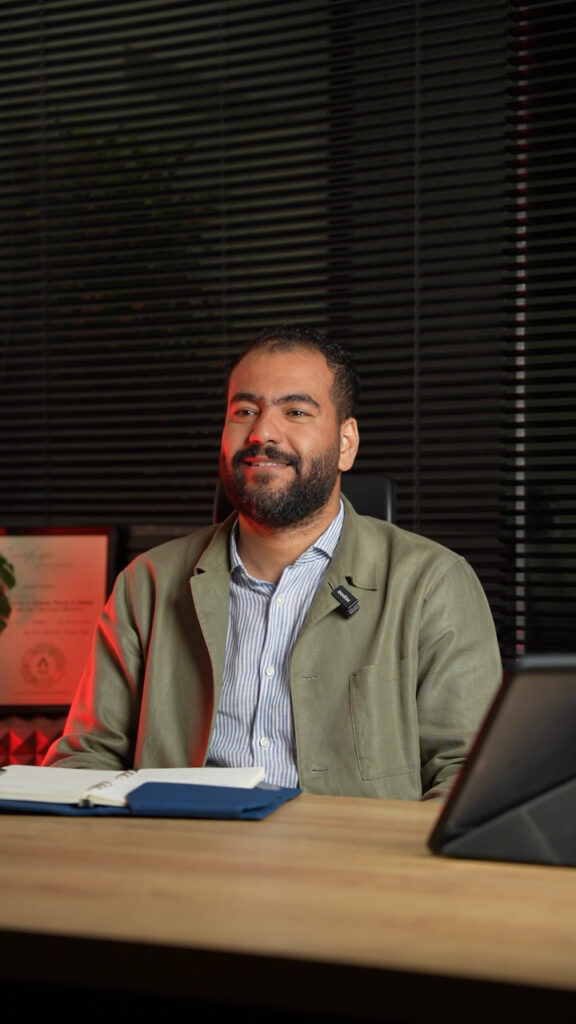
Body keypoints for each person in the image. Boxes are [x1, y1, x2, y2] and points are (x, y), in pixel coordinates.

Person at [44, 324, 502, 799]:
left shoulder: (432, 584)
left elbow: (470, 776)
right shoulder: (148, 583)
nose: (262, 433)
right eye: (245, 411)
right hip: (179, 841)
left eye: (296, 411)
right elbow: (87, 758)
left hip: (349, 847)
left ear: (346, 443)